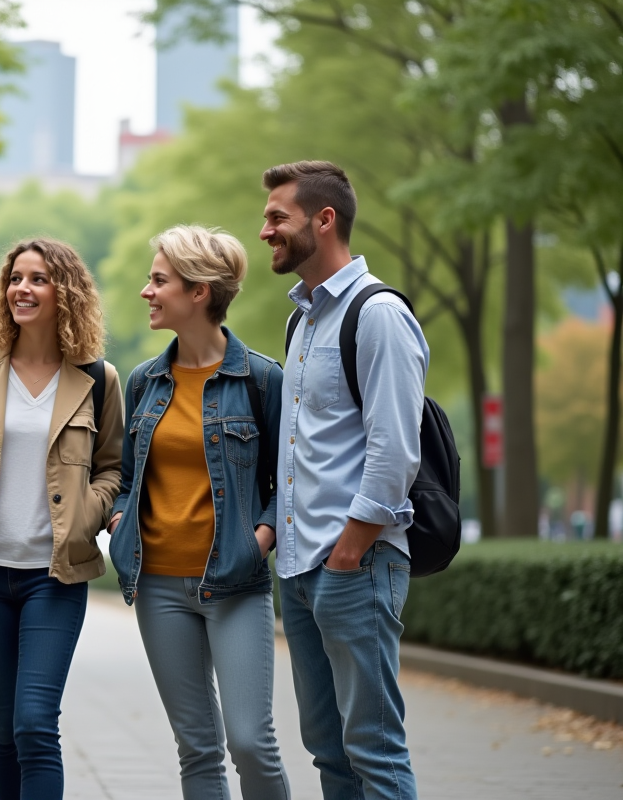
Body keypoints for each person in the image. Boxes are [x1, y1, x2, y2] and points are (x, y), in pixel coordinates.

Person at [0, 238, 123, 800]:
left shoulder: (97, 378)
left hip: (54, 574)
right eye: (15, 278)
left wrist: (89, 513)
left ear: (66, 292)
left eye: (37, 279)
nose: (22, 289)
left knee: (35, 723)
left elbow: (113, 469)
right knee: (4, 730)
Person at [261, 160, 427, 799]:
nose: (266, 230)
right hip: (305, 572)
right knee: (329, 754)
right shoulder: (302, 321)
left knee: (374, 753)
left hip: (352, 565)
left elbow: (394, 448)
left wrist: (350, 550)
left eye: (278, 217)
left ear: (323, 219)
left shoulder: (377, 313)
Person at [106, 225, 291, 800]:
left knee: (251, 741)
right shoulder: (145, 382)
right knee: (198, 748)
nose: (147, 292)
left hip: (236, 583)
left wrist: (257, 540)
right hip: (158, 585)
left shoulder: (261, 380)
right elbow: (124, 477)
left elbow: (288, 482)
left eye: (159, 281)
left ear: (199, 293)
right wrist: (119, 520)